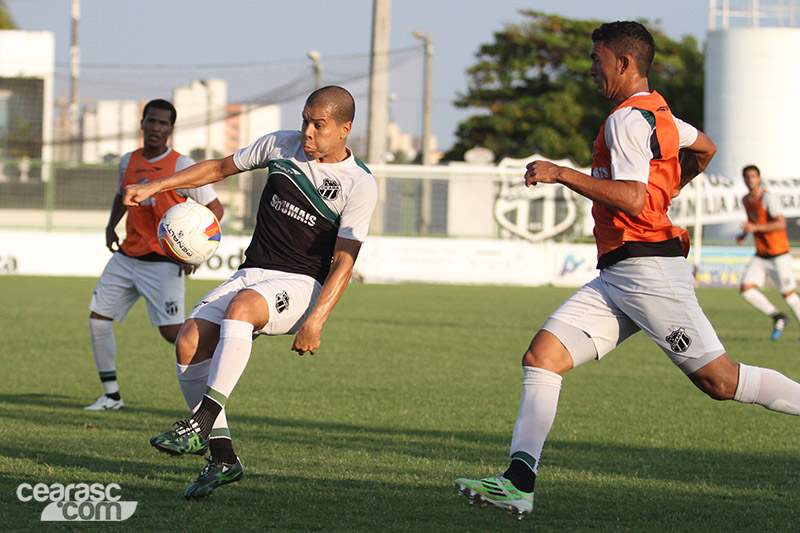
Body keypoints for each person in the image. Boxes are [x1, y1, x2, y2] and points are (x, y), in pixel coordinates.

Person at [454, 21, 800, 520]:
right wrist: (670, 187)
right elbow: (705, 148)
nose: (591, 69)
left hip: (648, 273)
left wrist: (560, 172)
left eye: (597, 60)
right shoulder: (660, 113)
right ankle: (518, 482)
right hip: (620, 275)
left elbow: (635, 199)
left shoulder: (623, 120)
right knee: (542, 357)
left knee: (721, 382)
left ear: (624, 63)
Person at [122, 86, 377, 499]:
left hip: (301, 284)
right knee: (188, 342)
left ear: (344, 128)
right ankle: (223, 459)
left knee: (240, 311)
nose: (307, 132)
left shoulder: (360, 184)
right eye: (305, 120)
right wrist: (155, 187)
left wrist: (316, 320)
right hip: (253, 272)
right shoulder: (280, 145)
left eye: (319, 124)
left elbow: (344, 261)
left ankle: (201, 423)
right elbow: (219, 168)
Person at [85, 99, 224, 411]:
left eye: (163, 123)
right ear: (142, 123)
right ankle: (111, 396)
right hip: (127, 255)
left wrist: (196, 252)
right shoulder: (128, 160)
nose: (156, 128)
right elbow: (123, 194)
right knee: (98, 319)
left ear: (171, 129)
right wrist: (111, 226)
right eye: (152, 121)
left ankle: (218, 375)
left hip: (164, 262)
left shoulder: (180, 163)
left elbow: (215, 209)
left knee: (172, 333)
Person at [736, 164, 800, 341]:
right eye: (747, 177)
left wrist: (755, 227)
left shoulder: (768, 199)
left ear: (759, 178)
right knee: (746, 289)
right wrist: (744, 234)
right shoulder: (746, 200)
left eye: (753, 176)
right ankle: (778, 316)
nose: (750, 180)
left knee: (789, 296)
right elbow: (753, 222)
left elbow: (781, 223)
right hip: (761, 254)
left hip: (779, 254)